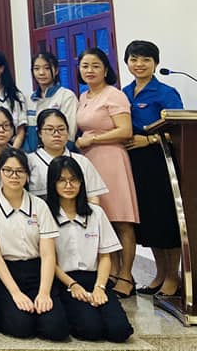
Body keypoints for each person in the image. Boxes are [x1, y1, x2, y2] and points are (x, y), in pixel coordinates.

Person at [0, 147, 69, 340]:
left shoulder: (39, 205)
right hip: (5, 271)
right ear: (0, 173)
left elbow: (48, 255)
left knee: (56, 329)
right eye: (8, 170)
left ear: (27, 175)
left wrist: (44, 293)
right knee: (21, 327)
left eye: (20, 171)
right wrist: (16, 293)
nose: (14, 176)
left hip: (36, 270)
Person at [47, 156, 133, 342]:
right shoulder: (46, 214)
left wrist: (100, 287)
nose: (68, 185)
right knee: (91, 330)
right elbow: (48, 260)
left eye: (74, 180)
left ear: (81, 182)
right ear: (53, 184)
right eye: (62, 180)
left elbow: (105, 256)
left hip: (95, 278)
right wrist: (73, 285)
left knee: (119, 331)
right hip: (64, 281)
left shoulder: (96, 213)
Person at [122, 39, 184, 296]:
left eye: (146, 59)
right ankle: (159, 273)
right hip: (135, 163)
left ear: (155, 63)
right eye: (134, 59)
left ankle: (173, 276)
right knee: (150, 221)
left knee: (166, 218)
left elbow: (179, 131)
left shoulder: (165, 93)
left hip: (160, 161)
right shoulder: (124, 92)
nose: (139, 64)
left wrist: (148, 140)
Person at [75, 48, 138, 299]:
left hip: (112, 159)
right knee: (103, 219)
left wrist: (93, 139)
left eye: (95, 66)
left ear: (105, 69)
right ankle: (110, 272)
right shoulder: (83, 96)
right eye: (85, 66)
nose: (89, 70)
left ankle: (126, 276)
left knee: (122, 220)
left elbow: (125, 130)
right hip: (90, 162)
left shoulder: (115, 95)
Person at [27, 109, 107, 200]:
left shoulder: (82, 161)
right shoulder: (29, 161)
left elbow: (93, 197)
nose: (56, 134)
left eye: (61, 129)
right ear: (39, 133)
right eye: (50, 129)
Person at [26, 52, 78, 151]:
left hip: (58, 154)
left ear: (56, 70)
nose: (41, 73)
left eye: (46, 68)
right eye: (36, 69)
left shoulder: (66, 96)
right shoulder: (29, 99)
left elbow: (70, 134)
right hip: (33, 156)